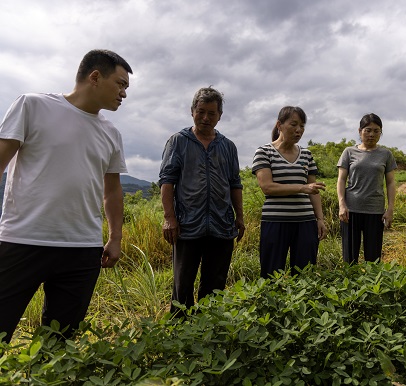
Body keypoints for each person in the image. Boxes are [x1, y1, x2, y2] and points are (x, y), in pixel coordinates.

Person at [0, 49, 132, 343]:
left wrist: (115, 237)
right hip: (23, 240)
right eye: (120, 84)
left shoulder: (112, 133)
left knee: (59, 343)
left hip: (82, 249)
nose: (124, 93)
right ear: (95, 77)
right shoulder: (32, 105)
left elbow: (112, 191)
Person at [159, 87, 244, 315]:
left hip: (221, 225)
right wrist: (169, 218)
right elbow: (167, 181)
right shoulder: (178, 141)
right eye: (201, 111)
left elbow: (235, 183)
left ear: (220, 116)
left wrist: (240, 217)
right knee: (182, 284)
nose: (206, 118)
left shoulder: (228, 146)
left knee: (215, 284)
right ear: (192, 111)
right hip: (187, 225)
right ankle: (180, 332)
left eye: (212, 113)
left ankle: (209, 329)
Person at [252, 106, 328, 278]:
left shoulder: (306, 155)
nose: (299, 130)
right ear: (279, 125)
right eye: (294, 124)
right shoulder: (264, 152)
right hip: (275, 222)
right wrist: (301, 188)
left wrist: (320, 219)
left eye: (302, 126)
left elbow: (313, 190)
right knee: (271, 275)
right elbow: (267, 187)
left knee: (305, 274)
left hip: (305, 222)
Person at [337, 113, 397, 264]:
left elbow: (390, 183)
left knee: (373, 258)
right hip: (351, 211)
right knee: (350, 258)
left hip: (375, 210)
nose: (371, 134)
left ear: (380, 133)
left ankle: (371, 286)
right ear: (360, 131)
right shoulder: (349, 152)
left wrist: (390, 209)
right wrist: (342, 204)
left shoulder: (386, 154)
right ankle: (351, 286)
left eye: (376, 131)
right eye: (368, 130)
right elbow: (341, 179)